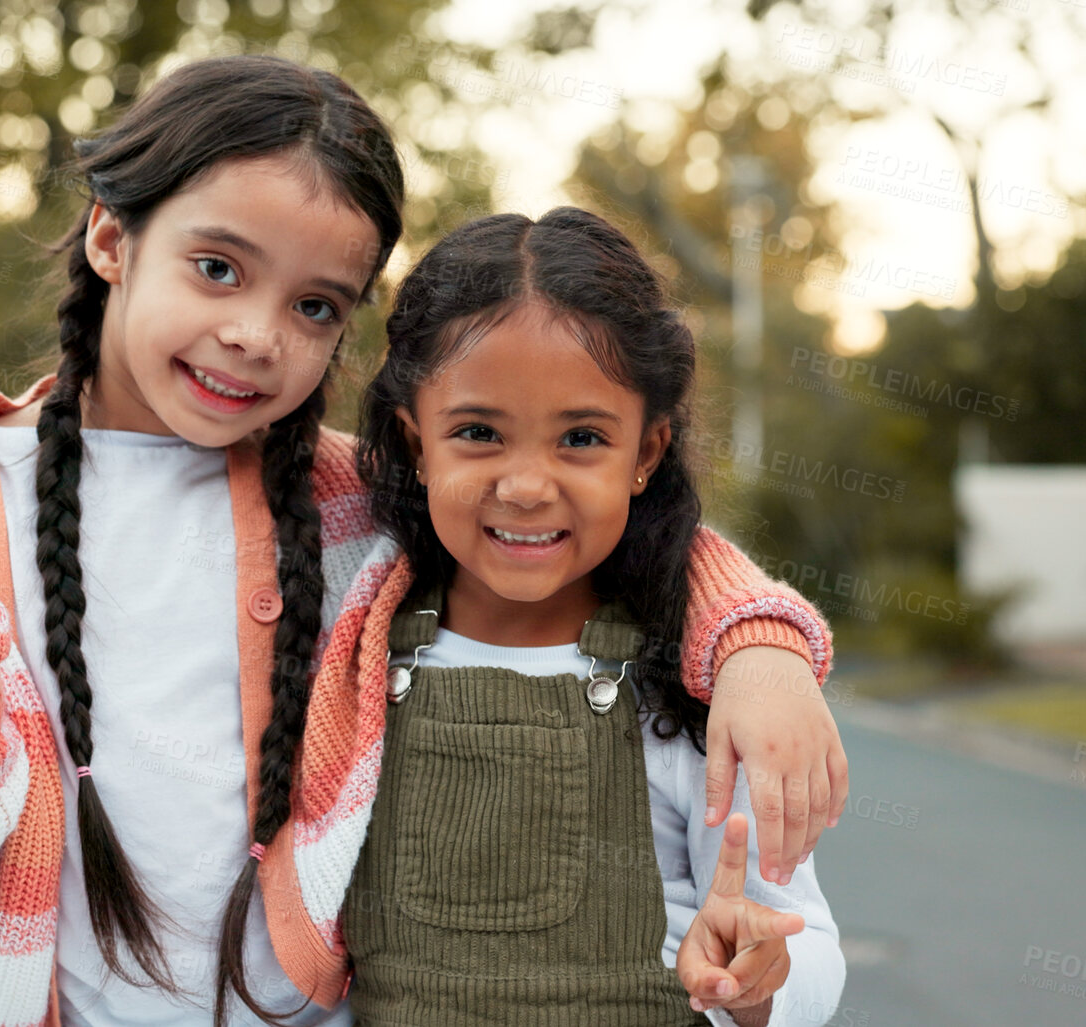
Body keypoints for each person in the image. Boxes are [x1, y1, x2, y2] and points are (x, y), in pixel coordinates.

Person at [0, 56, 844, 1027]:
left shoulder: (345, 492)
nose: (256, 335)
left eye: (318, 307)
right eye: (218, 267)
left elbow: (571, 519)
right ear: (112, 235)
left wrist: (760, 646)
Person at [314, 208, 844, 1025]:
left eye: (582, 438)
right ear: (413, 441)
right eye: (478, 432)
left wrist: (758, 973)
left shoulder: (694, 689)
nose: (526, 485)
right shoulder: (349, 646)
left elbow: (808, 952)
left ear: (647, 453)